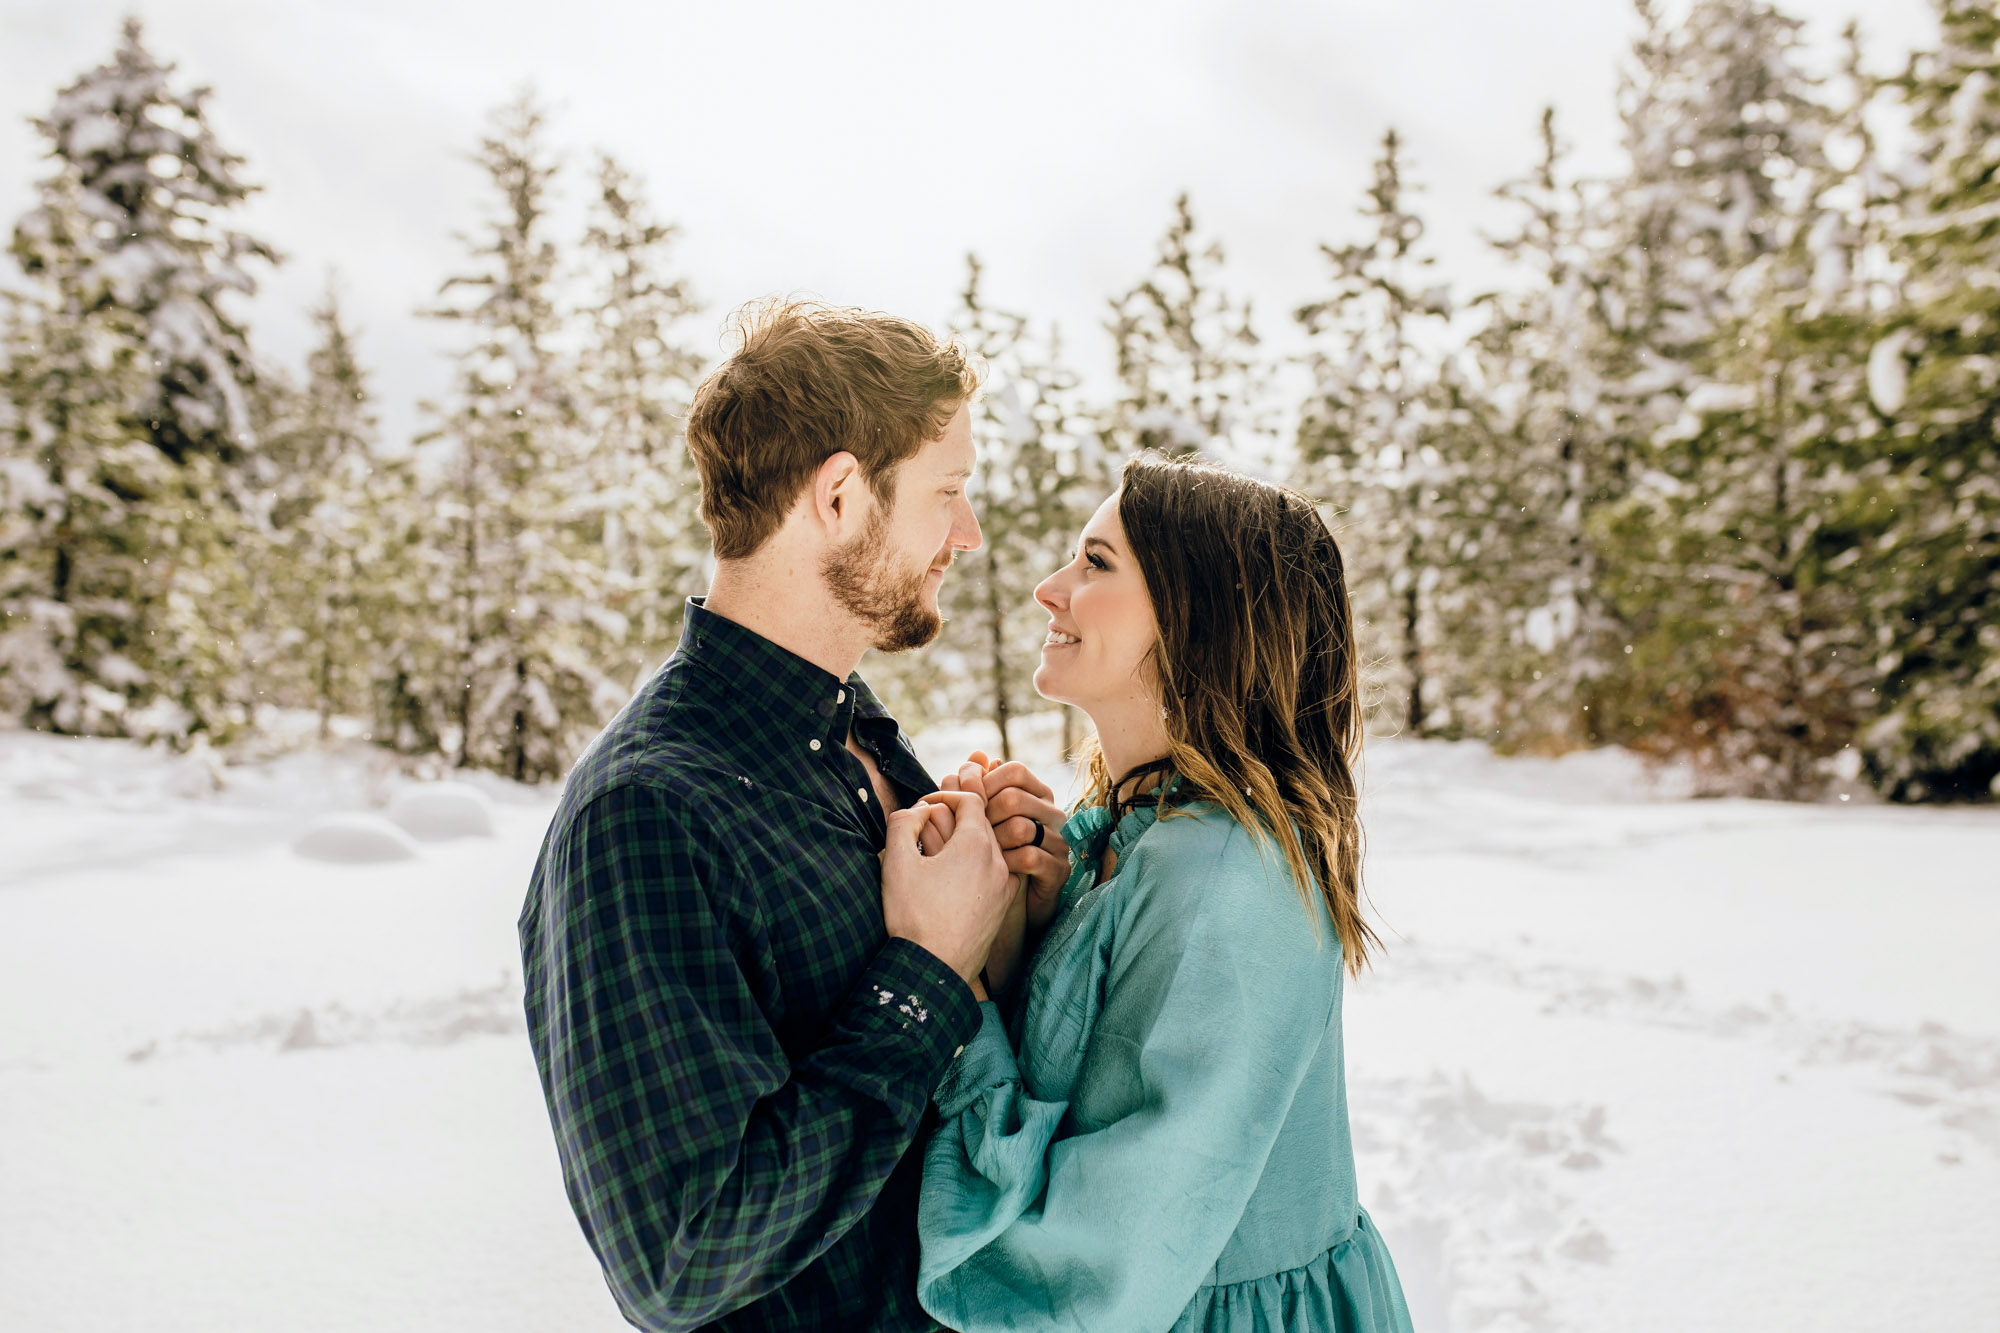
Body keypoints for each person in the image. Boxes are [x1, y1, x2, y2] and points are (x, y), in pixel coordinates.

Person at [516, 299, 1071, 1332]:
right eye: (946, 493)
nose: (968, 532)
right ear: (839, 494)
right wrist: (923, 978)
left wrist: (1003, 913)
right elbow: (678, 1258)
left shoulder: (851, 732)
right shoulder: (646, 817)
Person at [916, 452, 1416, 1332]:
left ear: (1199, 619)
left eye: (1096, 562)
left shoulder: (1227, 883)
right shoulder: (1123, 833)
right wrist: (1019, 931)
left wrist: (954, 979)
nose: (1049, 587)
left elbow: (1084, 1278)